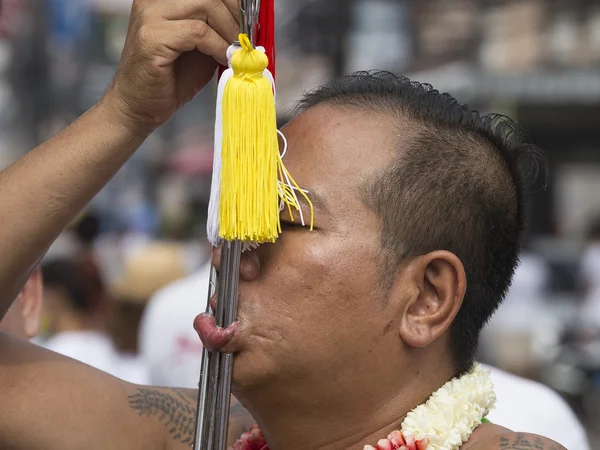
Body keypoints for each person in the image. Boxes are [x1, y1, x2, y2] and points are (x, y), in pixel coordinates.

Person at [0, 1, 566, 449]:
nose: (228, 250)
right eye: (238, 214)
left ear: (425, 297)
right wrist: (124, 114)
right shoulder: (197, 436)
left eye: (283, 219)